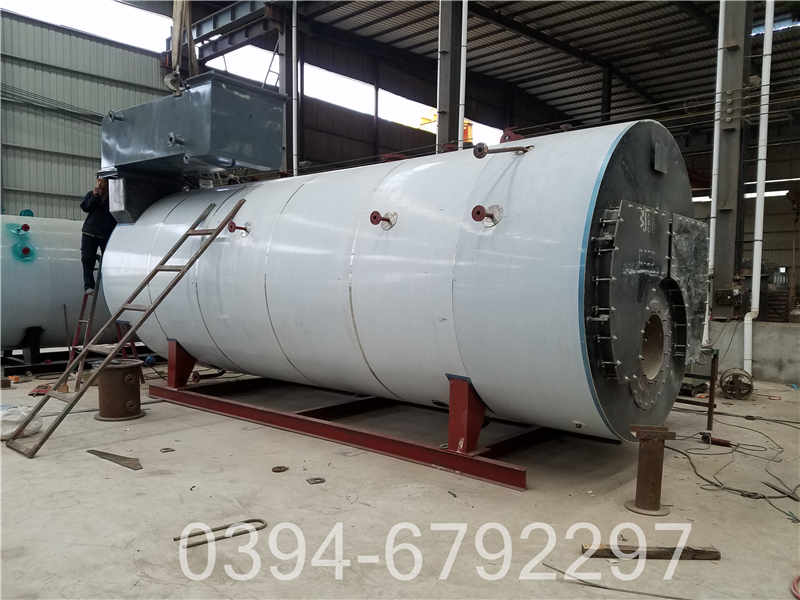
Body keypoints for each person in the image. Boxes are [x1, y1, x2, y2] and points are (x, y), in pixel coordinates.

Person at [80, 177, 116, 292]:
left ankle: (110, 285)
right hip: (89, 232)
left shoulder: (113, 197)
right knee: (87, 259)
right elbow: (86, 207)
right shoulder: (92, 194)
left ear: (108, 183)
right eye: (98, 180)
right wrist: (95, 196)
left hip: (105, 234)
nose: (100, 183)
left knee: (109, 259)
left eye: (102, 181)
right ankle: (89, 285)